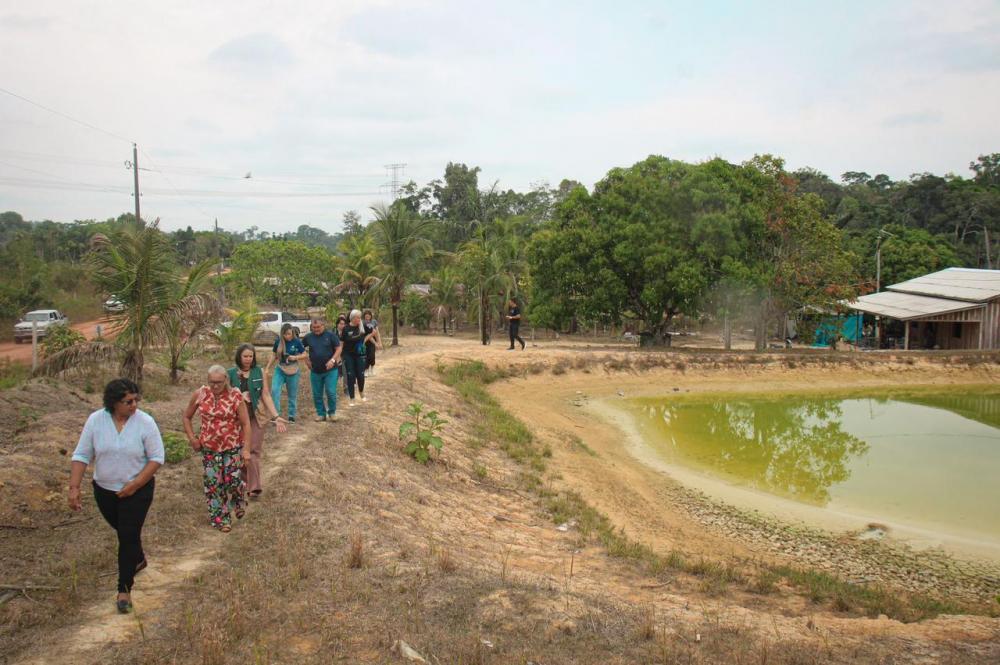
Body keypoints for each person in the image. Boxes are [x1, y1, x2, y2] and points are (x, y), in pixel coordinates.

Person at [69, 378, 165, 613]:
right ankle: (139, 557)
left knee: (127, 535)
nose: (134, 405)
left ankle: (124, 589)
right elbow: (82, 454)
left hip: (138, 491)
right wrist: (74, 487)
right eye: (127, 401)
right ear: (113, 403)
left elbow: (156, 458)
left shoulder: (145, 422)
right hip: (104, 491)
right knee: (125, 532)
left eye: (135, 400)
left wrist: (135, 484)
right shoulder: (96, 421)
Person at [182, 365, 252, 533]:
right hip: (209, 448)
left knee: (233, 481)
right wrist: (192, 438)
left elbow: (245, 423)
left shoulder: (235, 395)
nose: (215, 386)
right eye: (211, 382)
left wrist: (246, 449)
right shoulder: (200, 394)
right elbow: (186, 416)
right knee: (214, 484)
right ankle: (221, 519)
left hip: (232, 446)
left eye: (218, 383)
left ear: (226, 380)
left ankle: (237, 499)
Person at [229, 344, 287, 499]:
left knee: (253, 450)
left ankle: (254, 487)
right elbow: (224, 397)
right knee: (240, 451)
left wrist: (276, 416)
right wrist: (239, 397)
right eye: (245, 356)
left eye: (251, 356)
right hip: (237, 419)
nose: (248, 359)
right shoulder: (230, 374)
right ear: (239, 357)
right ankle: (243, 483)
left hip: (257, 416)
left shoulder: (259, 372)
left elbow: (266, 395)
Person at [302, 318, 342, 422]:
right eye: (314, 327)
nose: (316, 329)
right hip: (315, 371)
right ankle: (321, 414)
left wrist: (332, 360)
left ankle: (332, 413)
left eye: (318, 327)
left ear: (323, 326)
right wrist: (306, 360)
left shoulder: (331, 335)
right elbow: (301, 348)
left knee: (331, 392)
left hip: (331, 370)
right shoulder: (308, 337)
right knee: (317, 394)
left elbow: (338, 348)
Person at [267, 323, 305, 423]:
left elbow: (305, 354)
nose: (289, 336)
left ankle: (291, 416)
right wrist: (267, 368)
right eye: (286, 334)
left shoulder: (296, 341)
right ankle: (276, 416)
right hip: (280, 369)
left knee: (292, 394)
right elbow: (274, 356)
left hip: (293, 370)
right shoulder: (278, 342)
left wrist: (295, 357)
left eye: (290, 333)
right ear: (282, 334)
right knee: (275, 390)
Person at [341, 309, 375, 405]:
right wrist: (340, 355)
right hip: (348, 355)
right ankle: (352, 398)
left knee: (360, 375)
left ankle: (361, 392)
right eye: (357, 317)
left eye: (360, 318)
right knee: (351, 376)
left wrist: (364, 340)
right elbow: (342, 342)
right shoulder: (346, 328)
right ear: (352, 318)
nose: (359, 319)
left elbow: (373, 332)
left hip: (360, 354)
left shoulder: (362, 326)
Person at [363, 309, 383, 376]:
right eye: (366, 315)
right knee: (366, 356)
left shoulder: (374, 322)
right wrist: (375, 343)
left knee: (372, 355)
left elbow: (377, 332)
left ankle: (372, 368)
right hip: (366, 340)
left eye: (369, 315)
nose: (367, 316)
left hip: (372, 341)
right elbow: (367, 334)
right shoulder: (363, 323)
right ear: (364, 316)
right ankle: (366, 370)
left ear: (371, 316)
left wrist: (379, 342)